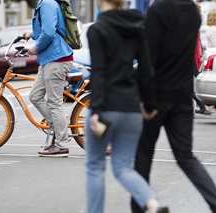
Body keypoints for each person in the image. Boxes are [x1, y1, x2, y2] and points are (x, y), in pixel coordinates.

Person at [131, 0, 216, 213]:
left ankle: (141, 208)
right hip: (183, 94)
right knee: (186, 157)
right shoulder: (192, 11)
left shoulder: (158, 8)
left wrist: (146, 101)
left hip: (157, 95)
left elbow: (149, 58)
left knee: (143, 157)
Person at [85, 0, 168, 212]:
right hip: (131, 109)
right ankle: (152, 203)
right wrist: (148, 105)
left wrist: (96, 109)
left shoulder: (97, 30)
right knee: (123, 167)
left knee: (95, 166)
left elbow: (99, 72)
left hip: (106, 107)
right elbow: (147, 70)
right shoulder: (137, 28)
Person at [23, 0, 73, 157]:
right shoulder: (45, 3)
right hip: (49, 59)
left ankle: (61, 144)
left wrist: (35, 48)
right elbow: (48, 28)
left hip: (56, 59)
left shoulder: (47, 3)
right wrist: (31, 35)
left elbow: (49, 33)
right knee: (35, 96)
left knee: (54, 103)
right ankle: (58, 125)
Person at [194, 4, 211, 115]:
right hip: (193, 58)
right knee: (197, 80)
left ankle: (202, 105)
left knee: (197, 80)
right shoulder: (194, 24)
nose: (201, 14)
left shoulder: (196, 26)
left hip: (196, 57)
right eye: (200, 12)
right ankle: (201, 105)